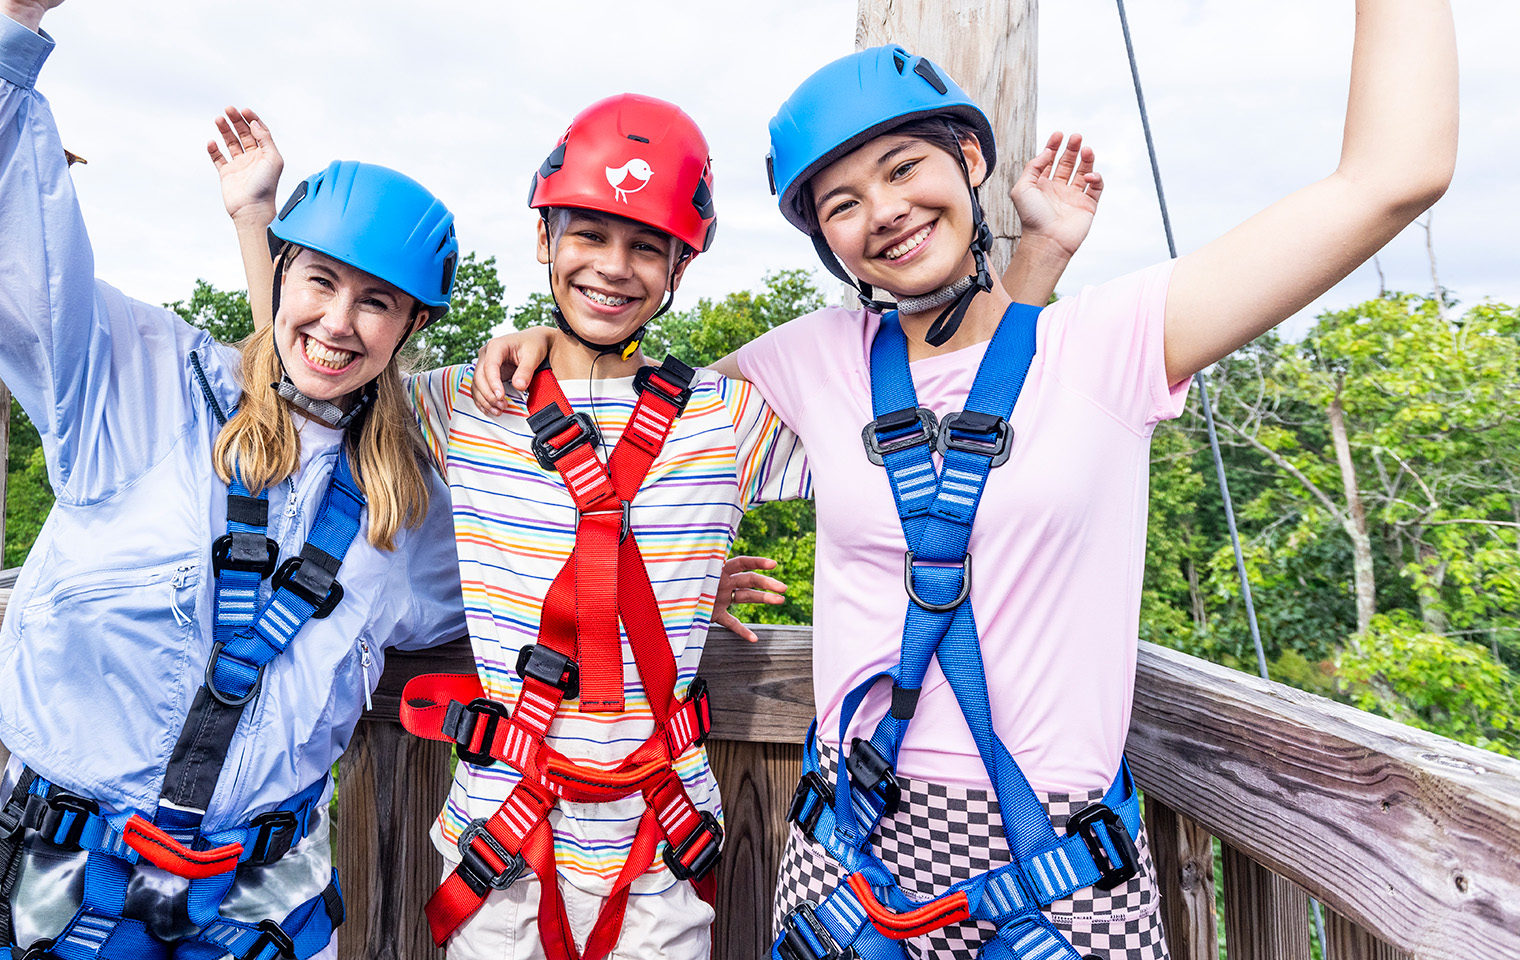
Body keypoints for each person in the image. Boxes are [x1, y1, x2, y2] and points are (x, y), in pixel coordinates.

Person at [491, 3, 1456, 957]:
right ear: (828, 244)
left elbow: (1391, 177)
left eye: (904, 168)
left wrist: (1039, 262)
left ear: (971, 162)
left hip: (1060, 856)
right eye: (843, 204)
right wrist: (551, 345)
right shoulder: (813, 360)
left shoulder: (1109, 344)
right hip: (850, 848)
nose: (887, 213)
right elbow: (636, 431)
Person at [227, 87, 1101, 956]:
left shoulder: (727, 419)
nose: (614, 267)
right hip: (501, 844)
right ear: (544, 240)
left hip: (658, 847)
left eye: (646, 248)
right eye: (591, 237)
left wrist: (1035, 269)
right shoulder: (467, 403)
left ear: (680, 271)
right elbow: (314, 369)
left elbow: (939, 440)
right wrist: (255, 224)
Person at [0, 2, 474, 957]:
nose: (341, 323)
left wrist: (670, 588)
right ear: (280, 274)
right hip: (74, 888)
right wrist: (10, 28)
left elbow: (525, 582)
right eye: (321, 284)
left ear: (409, 332)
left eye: (377, 303)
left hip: (262, 903)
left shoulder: (406, 509)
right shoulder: (138, 388)